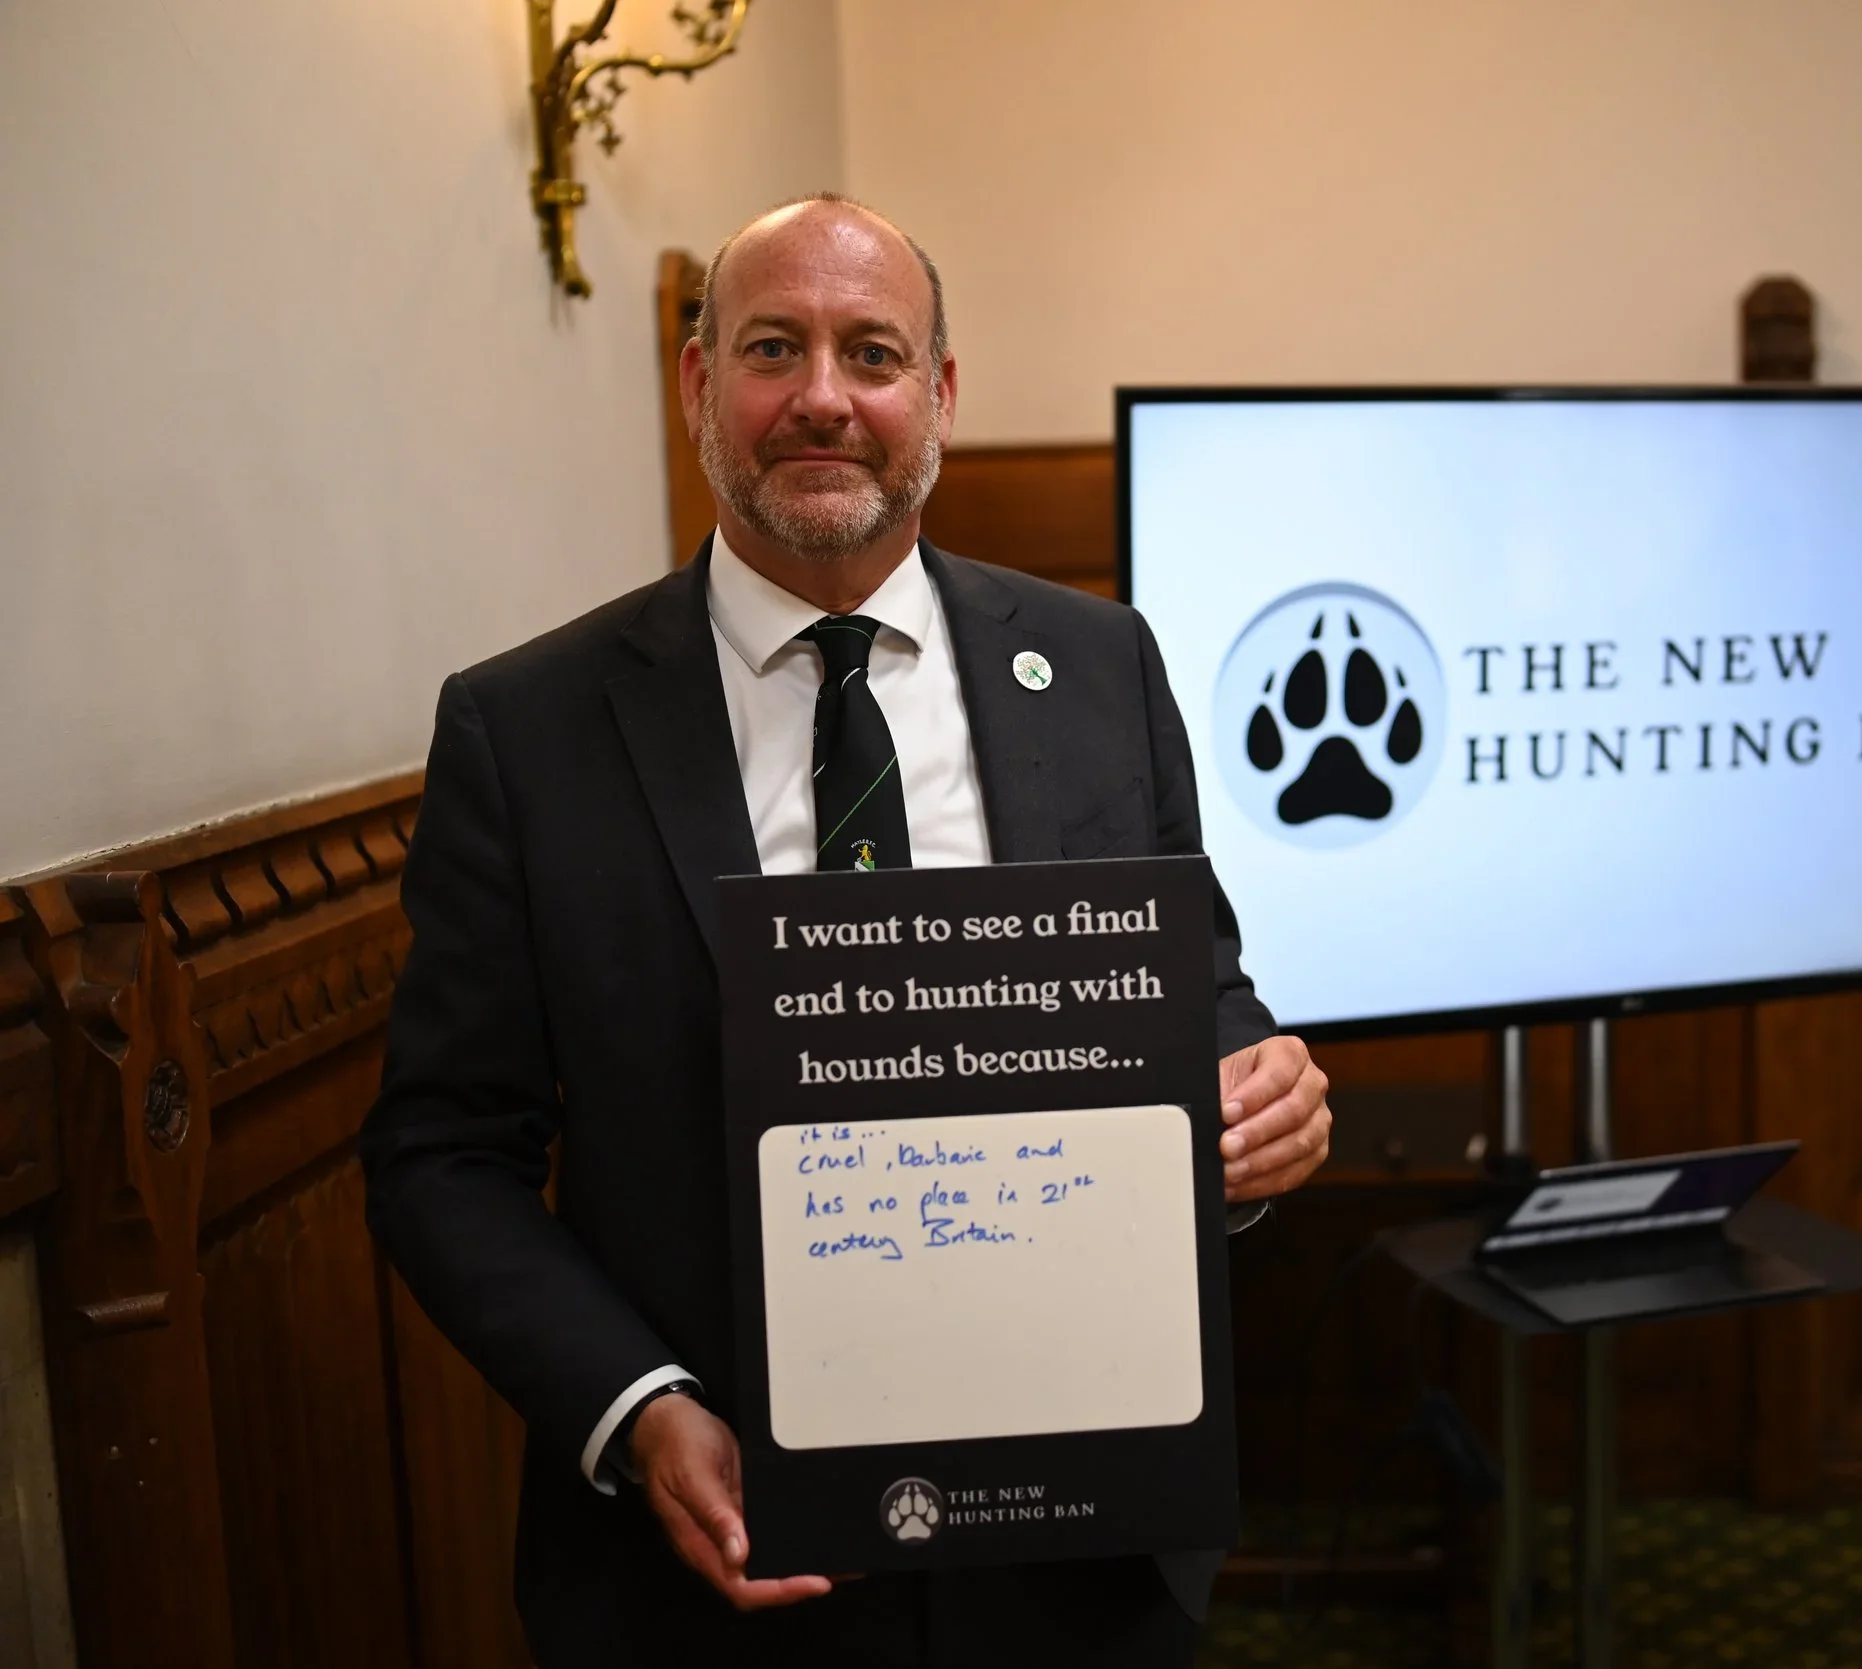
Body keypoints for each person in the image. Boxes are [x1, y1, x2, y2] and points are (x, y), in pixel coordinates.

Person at [360, 194, 1333, 1668]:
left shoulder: (1100, 663)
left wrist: (1257, 1100)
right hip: (717, 1562)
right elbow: (444, 1153)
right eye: (773, 349)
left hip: (1081, 1542)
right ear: (699, 384)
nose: (823, 397)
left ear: (939, 395)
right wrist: (640, 1411)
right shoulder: (527, 730)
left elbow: (1197, 993)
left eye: (872, 353)